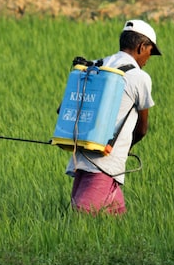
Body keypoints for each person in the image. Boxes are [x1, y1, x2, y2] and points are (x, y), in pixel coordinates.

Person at [65, 19, 161, 215]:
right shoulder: (139, 77)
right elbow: (142, 129)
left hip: (82, 154)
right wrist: (126, 150)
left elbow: (67, 106)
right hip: (106, 162)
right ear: (142, 47)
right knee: (82, 216)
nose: (147, 60)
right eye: (150, 53)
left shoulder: (97, 65)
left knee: (115, 219)